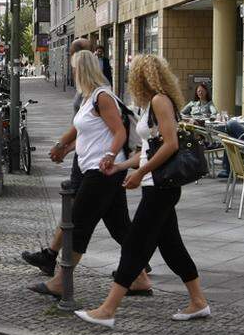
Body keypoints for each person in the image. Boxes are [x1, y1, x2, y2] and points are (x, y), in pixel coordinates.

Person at [76, 54, 210, 329]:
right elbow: (149, 150)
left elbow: (170, 145)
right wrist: (122, 165)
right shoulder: (153, 104)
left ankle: (108, 309)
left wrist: (140, 173)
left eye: (132, 73)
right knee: (172, 248)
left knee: (135, 246)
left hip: (159, 188)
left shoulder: (160, 102)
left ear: (141, 76)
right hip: (157, 186)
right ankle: (198, 302)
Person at [21, 38, 151, 282]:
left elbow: (119, 132)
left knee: (78, 223)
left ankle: (60, 282)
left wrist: (110, 156)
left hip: (101, 170)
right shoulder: (88, 96)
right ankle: (140, 277)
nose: (72, 71)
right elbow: (87, 132)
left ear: (83, 69)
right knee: (119, 225)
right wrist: (67, 148)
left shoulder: (102, 96)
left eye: (74, 67)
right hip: (95, 166)